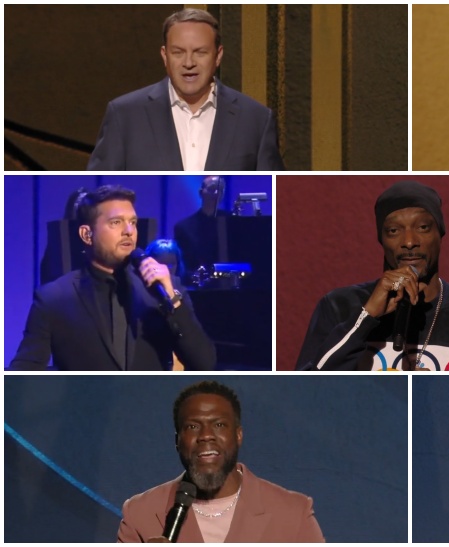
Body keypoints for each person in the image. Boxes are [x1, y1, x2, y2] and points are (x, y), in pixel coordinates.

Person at [296, 180, 449, 371]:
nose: (409, 242)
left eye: (422, 228)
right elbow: (304, 393)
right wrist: (366, 317)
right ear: (382, 239)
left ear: (440, 234)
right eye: (394, 231)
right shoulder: (339, 307)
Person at [9, 185, 216, 371]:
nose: (129, 231)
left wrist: (172, 301)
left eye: (133, 222)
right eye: (116, 222)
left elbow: (204, 363)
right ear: (87, 235)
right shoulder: (53, 298)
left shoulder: (164, 289)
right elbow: (25, 373)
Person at [117, 381, 324, 542]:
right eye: (192, 427)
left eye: (219, 425)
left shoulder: (293, 513)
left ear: (239, 435)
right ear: (177, 441)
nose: (206, 435)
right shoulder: (140, 513)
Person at [87, 8, 284, 171]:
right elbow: (98, 195)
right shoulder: (125, 115)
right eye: (178, 52)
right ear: (165, 56)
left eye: (200, 52)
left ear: (218, 55)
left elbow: (276, 199)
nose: (188, 63)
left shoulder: (255, 120)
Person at [174, 176, 228, 281]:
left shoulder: (231, 221)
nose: (217, 193)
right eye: (212, 188)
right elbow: (182, 265)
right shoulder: (183, 227)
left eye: (220, 189)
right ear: (201, 192)